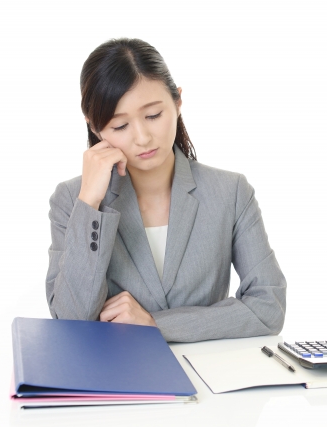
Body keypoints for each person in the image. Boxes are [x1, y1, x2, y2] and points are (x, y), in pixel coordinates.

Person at [46, 38, 286, 342]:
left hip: (211, 369)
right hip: (116, 369)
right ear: (95, 127)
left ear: (177, 102)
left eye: (153, 116)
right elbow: (69, 323)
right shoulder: (73, 201)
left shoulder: (231, 192)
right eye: (120, 126)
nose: (142, 137)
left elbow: (269, 308)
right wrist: (90, 202)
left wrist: (156, 324)